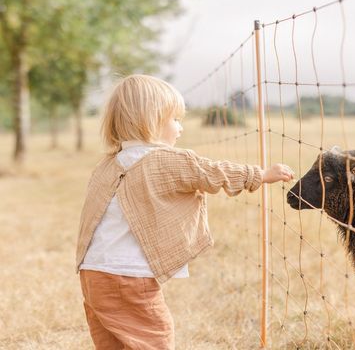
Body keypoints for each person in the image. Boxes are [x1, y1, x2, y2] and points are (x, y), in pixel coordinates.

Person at [76, 74, 294, 349]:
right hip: (128, 277)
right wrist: (260, 174)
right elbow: (213, 173)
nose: (180, 128)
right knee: (156, 337)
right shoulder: (168, 160)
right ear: (153, 120)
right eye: (175, 119)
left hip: (91, 273)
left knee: (114, 343)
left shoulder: (107, 165)